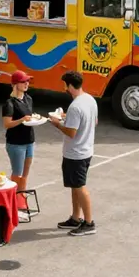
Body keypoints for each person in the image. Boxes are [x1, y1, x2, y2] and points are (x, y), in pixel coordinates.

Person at [49, 71, 98, 236]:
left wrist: (56, 123)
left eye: (65, 85)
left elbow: (71, 132)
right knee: (75, 186)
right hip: (86, 149)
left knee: (79, 186)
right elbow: (94, 121)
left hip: (76, 153)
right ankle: (76, 217)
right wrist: (66, 117)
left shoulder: (75, 106)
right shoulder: (89, 99)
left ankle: (89, 222)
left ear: (69, 86)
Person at [2, 70, 36, 216]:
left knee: (25, 175)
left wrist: (31, 119)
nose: (26, 84)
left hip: (29, 141)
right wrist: (22, 120)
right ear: (15, 84)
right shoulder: (9, 103)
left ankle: (21, 201)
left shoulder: (28, 99)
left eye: (27, 81)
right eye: (23, 81)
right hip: (16, 143)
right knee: (17, 174)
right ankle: (12, 203)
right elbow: (7, 124)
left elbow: (30, 117)